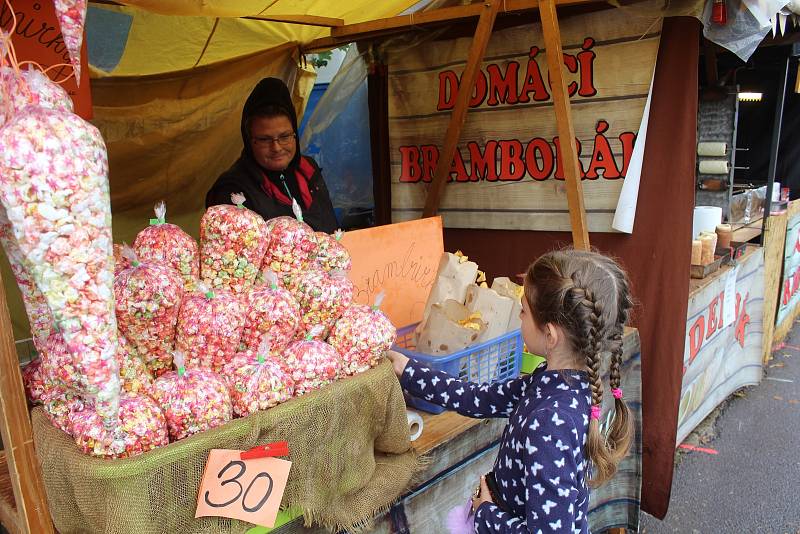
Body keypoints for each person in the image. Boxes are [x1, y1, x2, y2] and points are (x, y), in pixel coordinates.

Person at [386, 249, 634, 533]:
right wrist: (409, 370)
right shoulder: (557, 383)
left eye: (523, 310)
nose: (518, 317)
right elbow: (479, 398)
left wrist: (485, 514)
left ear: (550, 336)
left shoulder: (551, 423)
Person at [206, 77, 338, 233]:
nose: (276, 147)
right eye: (264, 139)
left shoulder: (308, 169)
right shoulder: (231, 191)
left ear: (294, 134)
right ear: (249, 141)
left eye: (284, 136)